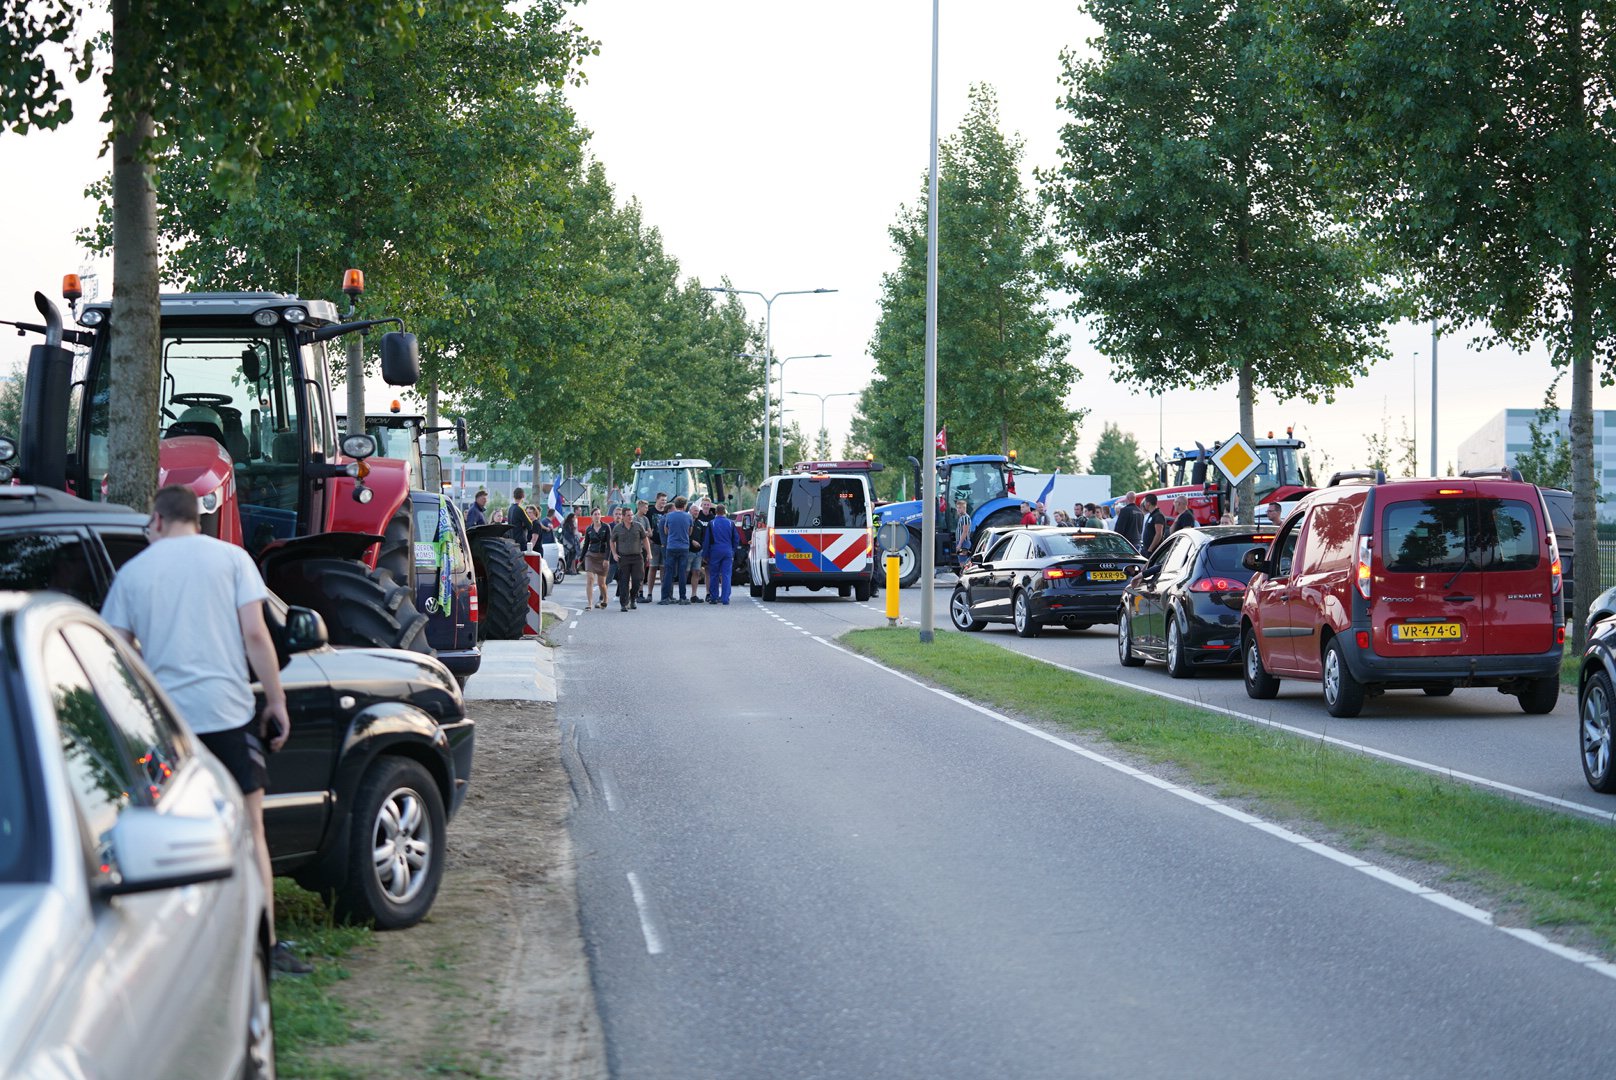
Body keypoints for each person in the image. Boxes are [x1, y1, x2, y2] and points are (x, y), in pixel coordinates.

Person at [101, 485, 310, 976]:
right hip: (228, 716)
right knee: (251, 828)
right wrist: (276, 701)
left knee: (167, 835)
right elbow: (256, 635)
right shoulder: (233, 560)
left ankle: (178, 953)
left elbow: (118, 652)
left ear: (156, 521)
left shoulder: (134, 573)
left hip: (167, 728)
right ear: (198, 519)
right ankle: (267, 944)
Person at [610, 505, 650, 611]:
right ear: (623, 516)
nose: (630, 517)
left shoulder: (638, 526)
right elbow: (611, 541)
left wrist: (649, 553)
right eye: (628, 515)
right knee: (624, 581)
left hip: (637, 557)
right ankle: (624, 603)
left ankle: (633, 598)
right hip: (623, 558)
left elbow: (645, 540)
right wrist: (614, 553)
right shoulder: (617, 528)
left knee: (638, 580)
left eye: (631, 515)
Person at [701, 503, 741, 605]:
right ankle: (725, 598)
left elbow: (707, 541)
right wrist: (732, 550)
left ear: (715, 512)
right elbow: (736, 539)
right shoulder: (730, 523)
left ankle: (714, 597)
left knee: (714, 574)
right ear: (724, 511)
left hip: (715, 551)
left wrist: (705, 555)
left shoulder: (712, 523)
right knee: (726, 575)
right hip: (727, 551)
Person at [658, 495, 694, 604]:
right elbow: (690, 532)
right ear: (684, 505)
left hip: (671, 546)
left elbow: (666, 531)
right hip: (684, 547)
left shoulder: (669, 516)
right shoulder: (688, 517)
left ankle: (665, 597)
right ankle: (682, 597)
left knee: (668, 572)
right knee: (682, 572)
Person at [582, 507, 613, 609]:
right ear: (591, 516)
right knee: (590, 579)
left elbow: (609, 545)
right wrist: (581, 558)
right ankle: (589, 604)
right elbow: (586, 545)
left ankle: (605, 599)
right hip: (591, 556)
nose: (597, 516)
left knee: (601, 583)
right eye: (595, 514)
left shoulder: (606, 527)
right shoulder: (589, 529)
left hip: (602, 556)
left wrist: (606, 559)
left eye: (599, 514)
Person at [645, 492, 668, 603]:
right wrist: (648, 540)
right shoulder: (650, 511)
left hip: (664, 544)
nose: (664, 502)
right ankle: (649, 593)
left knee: (664, 569)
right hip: (653, 544)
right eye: (662, 500)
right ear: (657, 499)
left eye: (665, 500)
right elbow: (645, 525)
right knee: (653, 568)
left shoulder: (667, 512)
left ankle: (664, 594)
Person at [507, 487, 531, 552]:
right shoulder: (520, 509)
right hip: (521, 542)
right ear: (523, 496)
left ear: (514, 496)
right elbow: (530, 525)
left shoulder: (510, 509)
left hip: (512, 540)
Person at [954, 499, 972, 573]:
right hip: (962, 542)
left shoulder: (965, 518)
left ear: (964, 508)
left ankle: (965, 575)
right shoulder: (962, 517)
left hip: (964, 542)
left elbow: (965, 532)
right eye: (957, 508)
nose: (957, 510)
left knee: (963, 561)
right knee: (962, 560)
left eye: (959, 508)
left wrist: (959, 544)